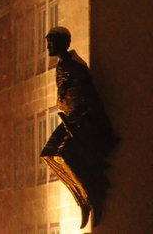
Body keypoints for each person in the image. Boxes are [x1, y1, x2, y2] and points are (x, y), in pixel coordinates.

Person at [40, 26, 117, 229]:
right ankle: (81, 199)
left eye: (52, 42)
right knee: (48, 155)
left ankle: (90, 196)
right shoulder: (62, 65)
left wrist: (87, 121)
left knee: (65, 155)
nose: (48, 47)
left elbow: (89, 95)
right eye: (48, 42)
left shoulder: (75, 66)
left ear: (64, 43)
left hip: (80, 119)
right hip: (70, 116)